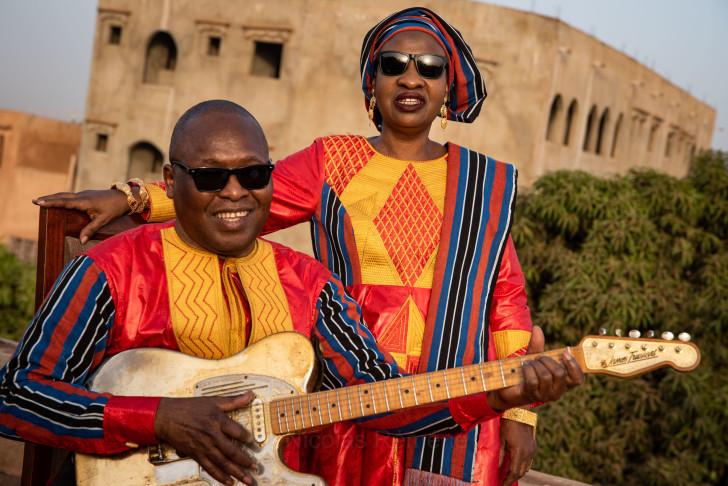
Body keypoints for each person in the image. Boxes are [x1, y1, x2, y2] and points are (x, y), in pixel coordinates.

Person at [34, 7, 549, 486]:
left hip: (449, 393)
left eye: (430, 67)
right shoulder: (334, 161)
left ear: (447, 86)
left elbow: (507, 302)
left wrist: (518, 410)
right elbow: (240, 195)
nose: (411, 77)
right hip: (341, 385)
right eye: (394, 64)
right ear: (373, 82)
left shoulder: (484, 182)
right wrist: (135, 197)